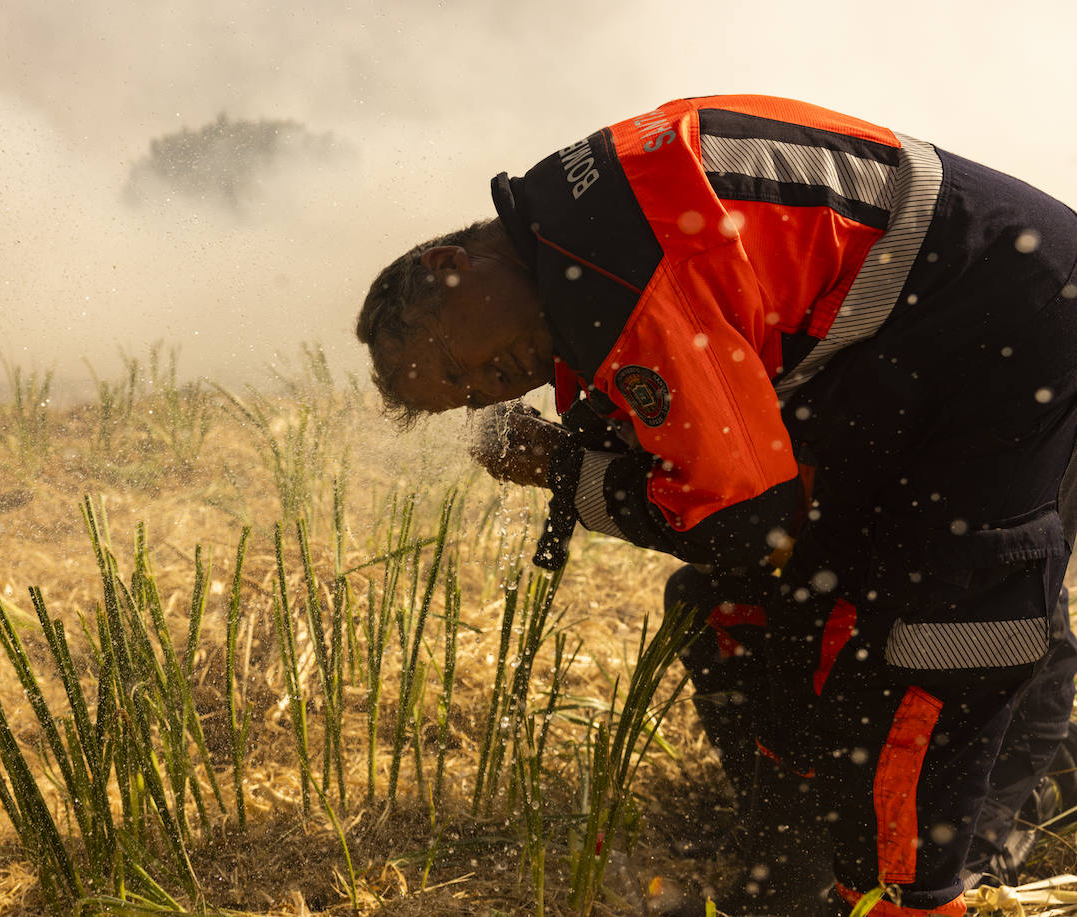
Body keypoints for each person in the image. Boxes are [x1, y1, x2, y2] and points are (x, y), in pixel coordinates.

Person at [354, 94, 1077, 916]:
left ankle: (934, 885)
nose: (493, 386)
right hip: (914, 328)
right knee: (750, 605)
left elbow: (738, 518)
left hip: (1000, 308)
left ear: (452, 265)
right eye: (470, 394)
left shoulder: (605, 273)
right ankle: (801, 852)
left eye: (459, 364)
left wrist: (565, 469)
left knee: (936, 628)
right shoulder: (567, 237)